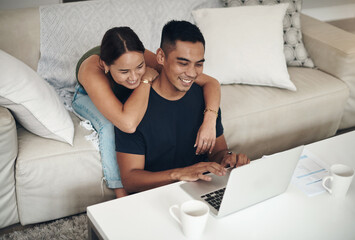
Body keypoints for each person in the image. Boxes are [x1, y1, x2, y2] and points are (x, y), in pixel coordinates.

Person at [72, 27, 222, 198]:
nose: (133, 76)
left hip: (125, 83)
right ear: (106, 66)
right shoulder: (93, 71)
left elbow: (211, 83)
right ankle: (121, 196)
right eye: (124, 71)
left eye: (140, 66)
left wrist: (210, 120)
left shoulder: (139, 55)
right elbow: (127, 124)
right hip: (86, 96)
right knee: (109, 126)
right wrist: (145, 80)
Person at [115, 20, 250, 194]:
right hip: (155, 196)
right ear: (161, 57)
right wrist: (179, 174)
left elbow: (218, 152)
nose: (192, 73)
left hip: (202, 190)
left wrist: (228, 159)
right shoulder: (134, 109)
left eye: (199, 64)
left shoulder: (206, 99)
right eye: (183, 63)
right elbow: (131, 180)